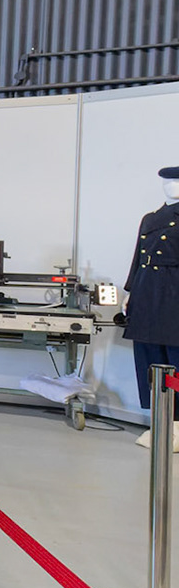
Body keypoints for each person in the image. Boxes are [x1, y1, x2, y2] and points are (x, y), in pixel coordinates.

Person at [125, 165, 179, 447]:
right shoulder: (150, 219)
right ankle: (158, 421)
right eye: (167, 182)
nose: (171, 186)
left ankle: (178, 425)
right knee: (147, 356)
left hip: (174, 294)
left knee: (176, 359)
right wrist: (130, 291)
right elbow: (139, 258)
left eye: (176, 182)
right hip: (147, 293)